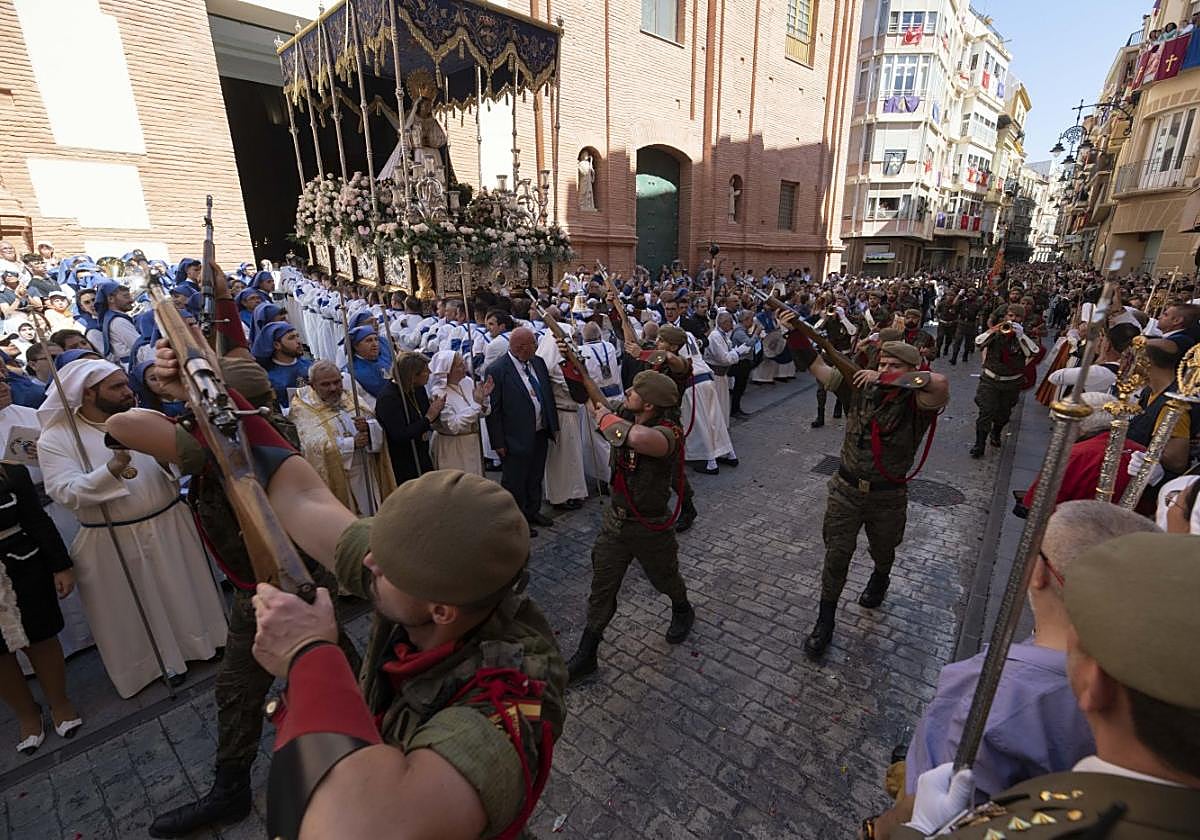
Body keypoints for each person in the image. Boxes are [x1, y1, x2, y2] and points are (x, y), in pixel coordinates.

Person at [107, 357, 362, 838]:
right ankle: (234, 788)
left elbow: (122, 423)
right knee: (249, 689)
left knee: (329, 677)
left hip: (282, 591)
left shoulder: (234, 444)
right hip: (262, 589)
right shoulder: (254, 433)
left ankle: (371, 757)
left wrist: (189, 401)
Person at [864, 501, 1156, 838]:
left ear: (1038, 572)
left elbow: (946, 796)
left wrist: (880, 829)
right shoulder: (1146, 682)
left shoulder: (994, 700)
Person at [37, 360, 227, 697]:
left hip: (169, 520)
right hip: (113, 535)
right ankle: (161, 664)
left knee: (185, 588)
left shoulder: (140, 417)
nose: (129, 392)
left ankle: (208, 643)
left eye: (126, 384)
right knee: (143, 606)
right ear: (88, 392)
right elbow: (63, 491)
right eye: (117, 387)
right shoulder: (56, 437)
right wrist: (111, 469)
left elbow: (178, 459)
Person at [777, 311, 949, 658]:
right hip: (846, 489)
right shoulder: (860, 390)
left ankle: (880, 576)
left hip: (888, 496)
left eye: (893, 365)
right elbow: (821, 369)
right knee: (836, 556)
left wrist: (890, 381)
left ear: (912, 370)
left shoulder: (918, 403)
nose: (883, 369)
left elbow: (939, 385)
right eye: (881, 363)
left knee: (883, 548)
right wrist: (795, 334)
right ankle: (825, 620)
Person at [564, 370, 695, 682]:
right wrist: (574, 366)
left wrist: (605, 419)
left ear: (648, 405)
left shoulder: (668, 433)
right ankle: (587, 653)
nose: (627, 392)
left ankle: (682, 607)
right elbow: (595, 397)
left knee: (665, 578)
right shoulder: (626, 413)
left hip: (650, 525)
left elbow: (636, 439)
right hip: (617, 522)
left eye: (634, 391)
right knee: (602, 587)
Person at [0, 449, 80, 755]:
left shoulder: (11, 472)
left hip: (22, 565)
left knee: (41, 636)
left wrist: (61, 565)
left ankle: (60, 701)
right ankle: (27, 714)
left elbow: (36, 520)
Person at [290, 360, 395, 516]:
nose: (334, 388)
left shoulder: (351, 397)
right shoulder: (303, 409)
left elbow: (376, 425)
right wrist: (351, 443)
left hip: (368, 469)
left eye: (337, 382)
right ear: (312, 385)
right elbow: (312, 447)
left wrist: (369, 428)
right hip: (342, 477)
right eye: (325, 384)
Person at [485, 327, 559, 534]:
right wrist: (498, 442)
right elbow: (494, 410)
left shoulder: (537, 362)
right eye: (533, 345)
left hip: (539, 432)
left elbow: (547, 395)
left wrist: (552, 425)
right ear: (520, 348)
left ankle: (532, 511)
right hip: (514, 437)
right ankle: (517, 521)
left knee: (535, 476)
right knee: (515, 482)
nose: (536, 348)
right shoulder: (498, 370)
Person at [970, 303, 1038, 457]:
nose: (1013, 319)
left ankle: (996, 432)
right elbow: (979, 342)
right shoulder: (997, 330)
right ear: (1006, 316)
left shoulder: (1026, 335)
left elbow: (1033, 352)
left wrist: (1021, 337)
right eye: (1011, 316)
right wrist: (994, 329)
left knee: (1004, 413)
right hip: (990, 379)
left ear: (1023, 318)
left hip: (1011, 381)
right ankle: (979, 444)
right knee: (985, 411)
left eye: (1017, 316)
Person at [374, 352, 441, 485]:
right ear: (412, 375)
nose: (430, 372)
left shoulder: (417, 388)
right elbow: (400, 435)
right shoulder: (388, 398)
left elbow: (425, 415)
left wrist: (436, 410)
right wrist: (429, 417)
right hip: (404, 460)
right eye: (425, 371)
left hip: (422, 452)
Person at [426, 350, 492, 476]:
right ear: (447, 370)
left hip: (472, 444)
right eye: (460, 365)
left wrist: (484, 398)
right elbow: (453, 426)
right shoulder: (439, 393)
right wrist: (476, 404)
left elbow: (482, 413)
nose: (465, 367)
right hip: (453, 447)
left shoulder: (467, 382)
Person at [704, 312, 752, 426]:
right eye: (731, 322)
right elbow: (725, 358)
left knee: (722, 404)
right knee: (717, 405)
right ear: (724, 323)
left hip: (722, 376)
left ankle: (723, 428)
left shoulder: (723, 335)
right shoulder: (715, 336)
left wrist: (735, 351)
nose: (733, 325)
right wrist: (738, 351)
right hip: (716, 376)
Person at [251, 321, 310, 410]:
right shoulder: (269, 377)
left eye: (298, 336)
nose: (299, 342)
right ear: (277, 345)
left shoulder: (309, 366)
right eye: (291, 338)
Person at [87, 281, 138, 365]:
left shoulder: (113, 318)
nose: (131, 300)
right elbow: (139, 346)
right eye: (126, 296)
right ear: (111, 299)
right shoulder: (118, 321)